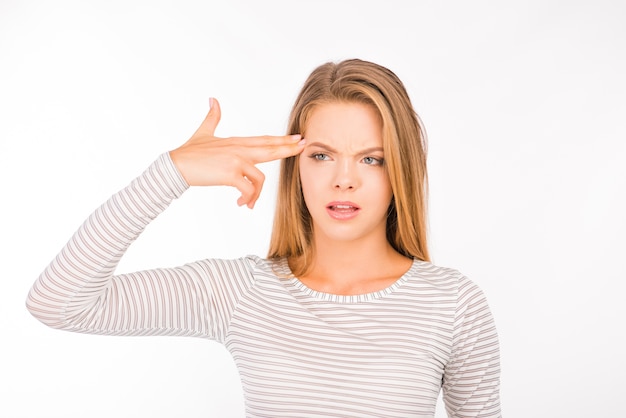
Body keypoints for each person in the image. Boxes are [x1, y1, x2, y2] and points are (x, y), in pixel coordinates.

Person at [27, 59, 501, 417]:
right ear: (295, 168)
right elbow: (58, 303)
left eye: (371, 159)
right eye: (321, 155)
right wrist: (171, 172)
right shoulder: (242, 291)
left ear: (401, 169)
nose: (344, 180)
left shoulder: (453, 303)